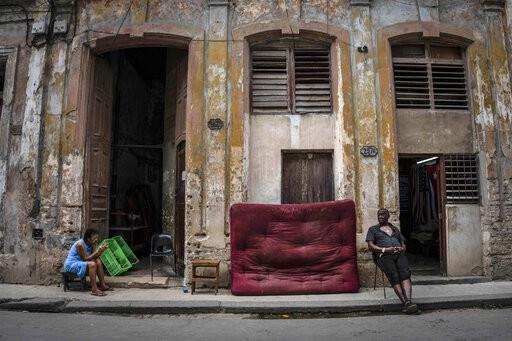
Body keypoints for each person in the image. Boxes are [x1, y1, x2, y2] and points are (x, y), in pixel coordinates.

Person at [366, 208, 418, 314]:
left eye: (383, 214)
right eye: (379, 215)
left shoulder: (395, 229)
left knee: (405, 273)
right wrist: (385, 249)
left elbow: (403, 244)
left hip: (398, 254)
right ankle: (405, 303)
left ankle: (409, 301)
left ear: (388, 216)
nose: (380, 216)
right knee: (394, 275)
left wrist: (402, 248)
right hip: (384, 256)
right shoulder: (373, 229)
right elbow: (370, 246)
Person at [64, 228, 112, 296]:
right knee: (92, 264)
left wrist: (100, 250)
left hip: (81, 262)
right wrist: (97, 252)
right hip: (72, 264)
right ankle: (94, 289)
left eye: (97, 238)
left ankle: (102, 285)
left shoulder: (91, 244)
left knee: (98, 261)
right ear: (88, 238)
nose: (96, 240)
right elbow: (85, 259)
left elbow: (94, 256)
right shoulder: (80, 244)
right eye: (94, 238)